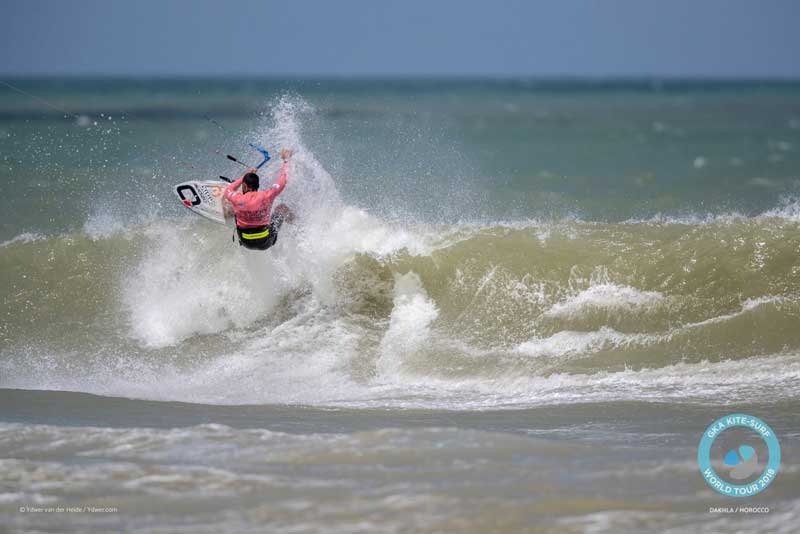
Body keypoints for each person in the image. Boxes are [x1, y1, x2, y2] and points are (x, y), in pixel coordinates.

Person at [224, 148, 295, 250]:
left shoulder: (237, 198)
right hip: (266, 242)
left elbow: (228, 189)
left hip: (245, 242)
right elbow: (283, 180)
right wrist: (286, 161)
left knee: (233, 206)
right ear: (257, 185)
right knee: (282, 208)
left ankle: (226, 214)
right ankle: (299, 227)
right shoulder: (268, 195)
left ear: (244, 185)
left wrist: (244, 175)